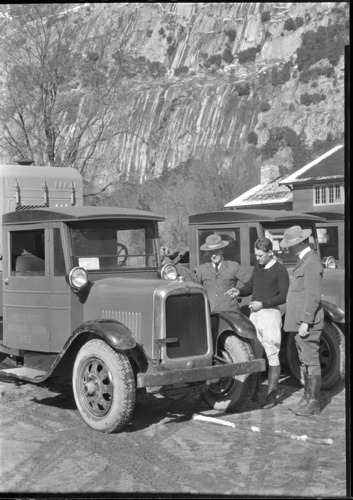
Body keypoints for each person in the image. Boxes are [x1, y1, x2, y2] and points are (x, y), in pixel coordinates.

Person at [236, 238, 289, 409]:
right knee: (255, 353)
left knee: (272, 354)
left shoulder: (280, 270)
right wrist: (238, 291)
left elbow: (282, 296)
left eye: (260, 255)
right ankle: (255, 391)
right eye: (256, 255)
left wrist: (263, 304)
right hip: (255, 315)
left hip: (270, 315)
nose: (257, 258)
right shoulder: (258, 268)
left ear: (270, 253)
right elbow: (250, 287)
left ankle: (271, 396)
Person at [280, 225, 324, 416]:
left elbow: (313, 296)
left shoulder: (311, 263)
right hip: (300, 322)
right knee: (305, 361)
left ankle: (313, 403)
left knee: (311, 361)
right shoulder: (303, 260)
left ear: (300, 243)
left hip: (307, 322)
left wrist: (306, 321)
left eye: (291, 244)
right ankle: (306, 399)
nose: (288, 248)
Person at [196, 234, 251, 313]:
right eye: (211, 252)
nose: (214, 255)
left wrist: (240, 291)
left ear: (222, 250)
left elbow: (252, 283)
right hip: (209, 314)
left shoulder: (233, 266)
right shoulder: (201, 269)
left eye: (216, 251)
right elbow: (193, 288)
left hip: (230, 313)